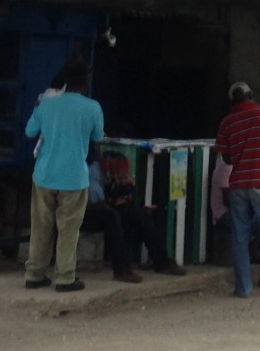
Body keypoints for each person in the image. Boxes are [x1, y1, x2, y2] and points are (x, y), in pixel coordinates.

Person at [23, 54, 104, 292]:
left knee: (41, 226)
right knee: (69, 229)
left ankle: (34, 274)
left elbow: (29, 131)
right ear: (85, 82)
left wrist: (39, 108)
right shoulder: (93, 107)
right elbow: (98, 136)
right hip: (74, 177)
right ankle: (65, 277)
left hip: (44, 175)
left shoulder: (44, 103)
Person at [214, 81, 260, 297]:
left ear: (232, 101)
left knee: (240, 237)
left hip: (238, 184)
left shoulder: (226, 123)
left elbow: (227, 158)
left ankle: (243, 288)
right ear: (251, 95)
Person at [81, 146, 187, 283]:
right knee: (111, 216)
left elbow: (104, 190)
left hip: (102, 204)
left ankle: (162, 262)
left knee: (141, 214)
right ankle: (121, 270)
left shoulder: (95, 164)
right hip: (81, 208)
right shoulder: (75, 164)